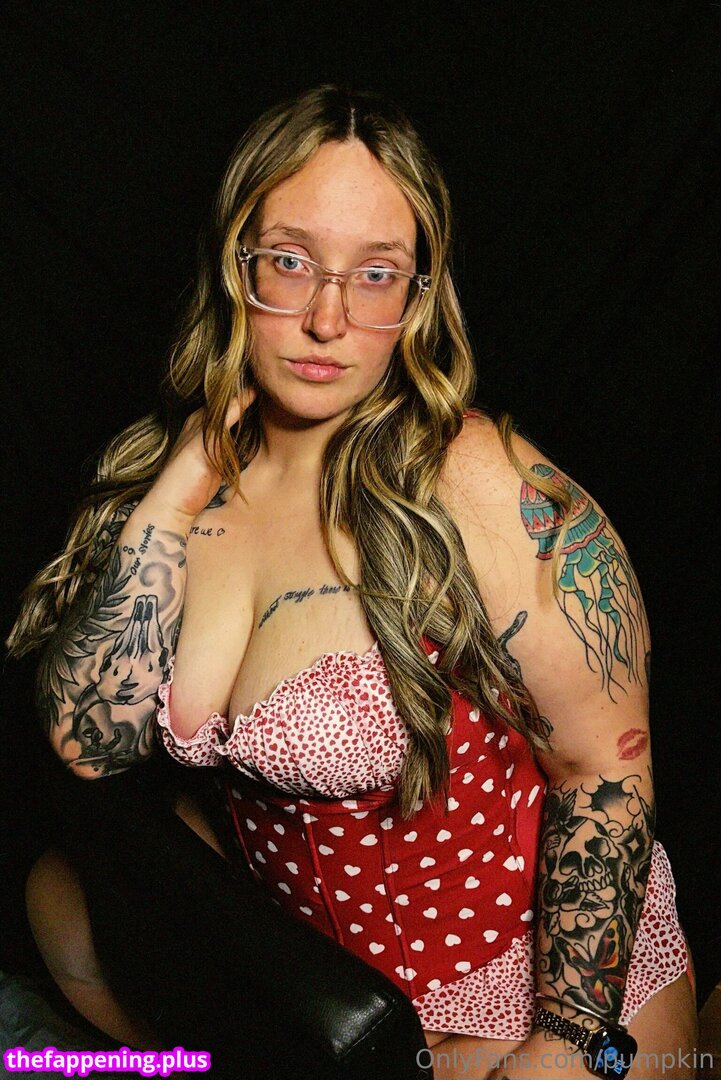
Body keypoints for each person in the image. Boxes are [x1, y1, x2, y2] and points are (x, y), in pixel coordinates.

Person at [8, 85, 697, 1080]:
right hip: (319, 996)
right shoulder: (179, 479)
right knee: (58, 898)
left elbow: (605, 770)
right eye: (290, 262)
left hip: (527, 986)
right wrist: (174, 493)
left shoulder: (481, 487)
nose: (327, 319)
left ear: (416, 298)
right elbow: (88, 747)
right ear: (234, 265)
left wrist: (567, 1038)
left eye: (374, 276)